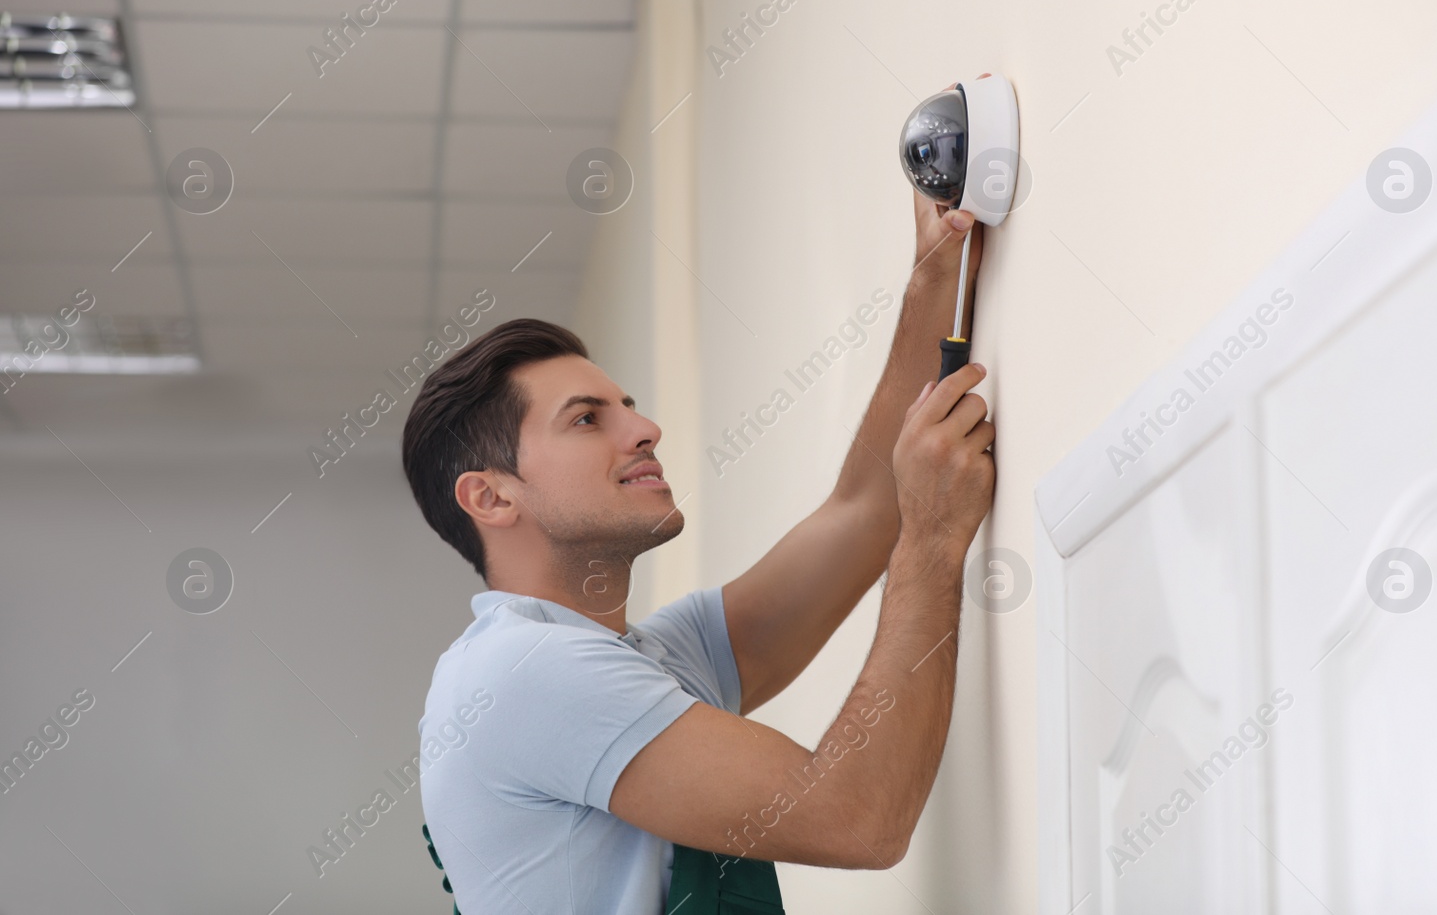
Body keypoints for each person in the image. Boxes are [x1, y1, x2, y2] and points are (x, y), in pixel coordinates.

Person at [405, 192, 995, 914]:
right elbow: (857, 818)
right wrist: (934, 538)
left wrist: (932, 277)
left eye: (628, 405)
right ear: (492, 498)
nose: (646, 427)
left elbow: (865, 509)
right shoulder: (520, 671)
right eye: (588, 419)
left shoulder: (650, 660)